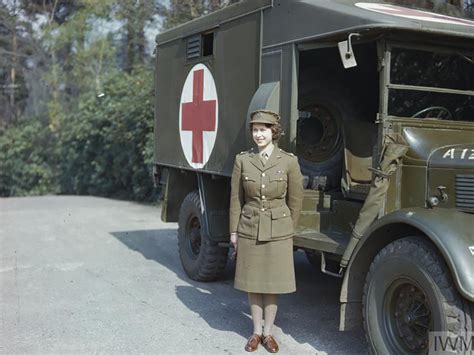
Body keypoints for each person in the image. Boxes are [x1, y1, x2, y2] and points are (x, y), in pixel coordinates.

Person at [229, 109, 304, 353]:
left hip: (278, 229)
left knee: (273, 283)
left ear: (274, 132)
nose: (258, 135)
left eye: (263, 130)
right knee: (253, 282)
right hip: (249, 226)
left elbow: (296, 200)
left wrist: (288, 229)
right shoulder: (243, 160)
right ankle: (255, 332)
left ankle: (268, 333)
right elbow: (235, 200)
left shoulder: (289, 161)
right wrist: (234, 232)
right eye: (255, 130)